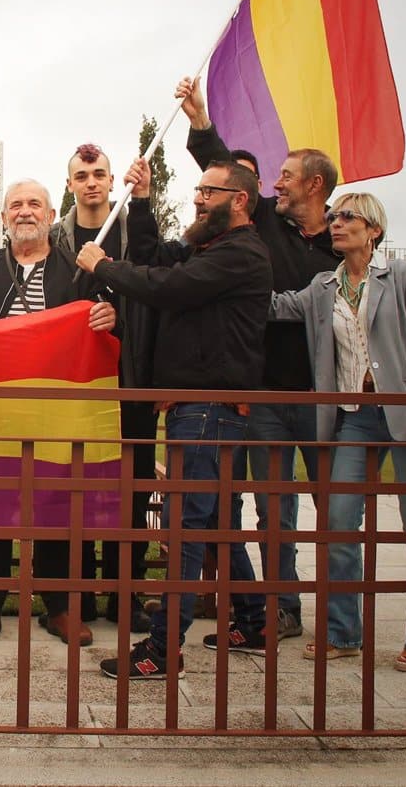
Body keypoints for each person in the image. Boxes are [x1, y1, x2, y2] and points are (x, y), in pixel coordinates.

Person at [77, 157, 271, 680]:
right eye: (197, 189)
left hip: (207, 406)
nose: (198, 198)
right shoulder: (211, 246)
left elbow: (165, 286)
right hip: (200, 406)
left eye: (209, 191)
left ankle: (163, 651)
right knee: (216, 522)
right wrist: (141, 202)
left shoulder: (240, 254)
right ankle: (253, 621)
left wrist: (102, 266)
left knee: (187, 529)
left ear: (239, 201)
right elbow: (153, 255)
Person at [177, 76, 337, 640]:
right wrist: (200, 121)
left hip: (326, 398)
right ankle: (280, 609)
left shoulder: (344, 242)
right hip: (267, 393)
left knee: (339, 514)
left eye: (288, 177)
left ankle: (344, 623)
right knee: (274, 514)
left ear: (315, 185)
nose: (277, 183)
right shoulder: (266, 222)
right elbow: (230, 176)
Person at [270, 193, 406, 672]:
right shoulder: (322, 286)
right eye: (334, 217)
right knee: (339, 523)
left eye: (348, 217)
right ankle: (344, 632)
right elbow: (277, 307)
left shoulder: (401, 277)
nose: (336, 224)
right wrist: (230, 282)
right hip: (353, 415)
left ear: (373, 230)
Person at [0, 180, 117, 646]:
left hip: (59, 412)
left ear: (52, 215)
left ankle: (62, 606)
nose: (24, 212)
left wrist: (111, 317)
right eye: (16, 205)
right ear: (3, 217)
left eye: (35, 205)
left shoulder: (81, 270)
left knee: (59, 505)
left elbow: (118, 321)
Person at [52, 144, 159, 635]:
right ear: (70, 184)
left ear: (112, 181)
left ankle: (126, 592)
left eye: (99, 174)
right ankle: (77, 593)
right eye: (81, 175)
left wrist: (122, 318)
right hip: (71, 384)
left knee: (128, 490)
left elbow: (157, 293)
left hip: (126, 381)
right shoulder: (56, 239)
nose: (91, 182)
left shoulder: (134, 234)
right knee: (73, 490)